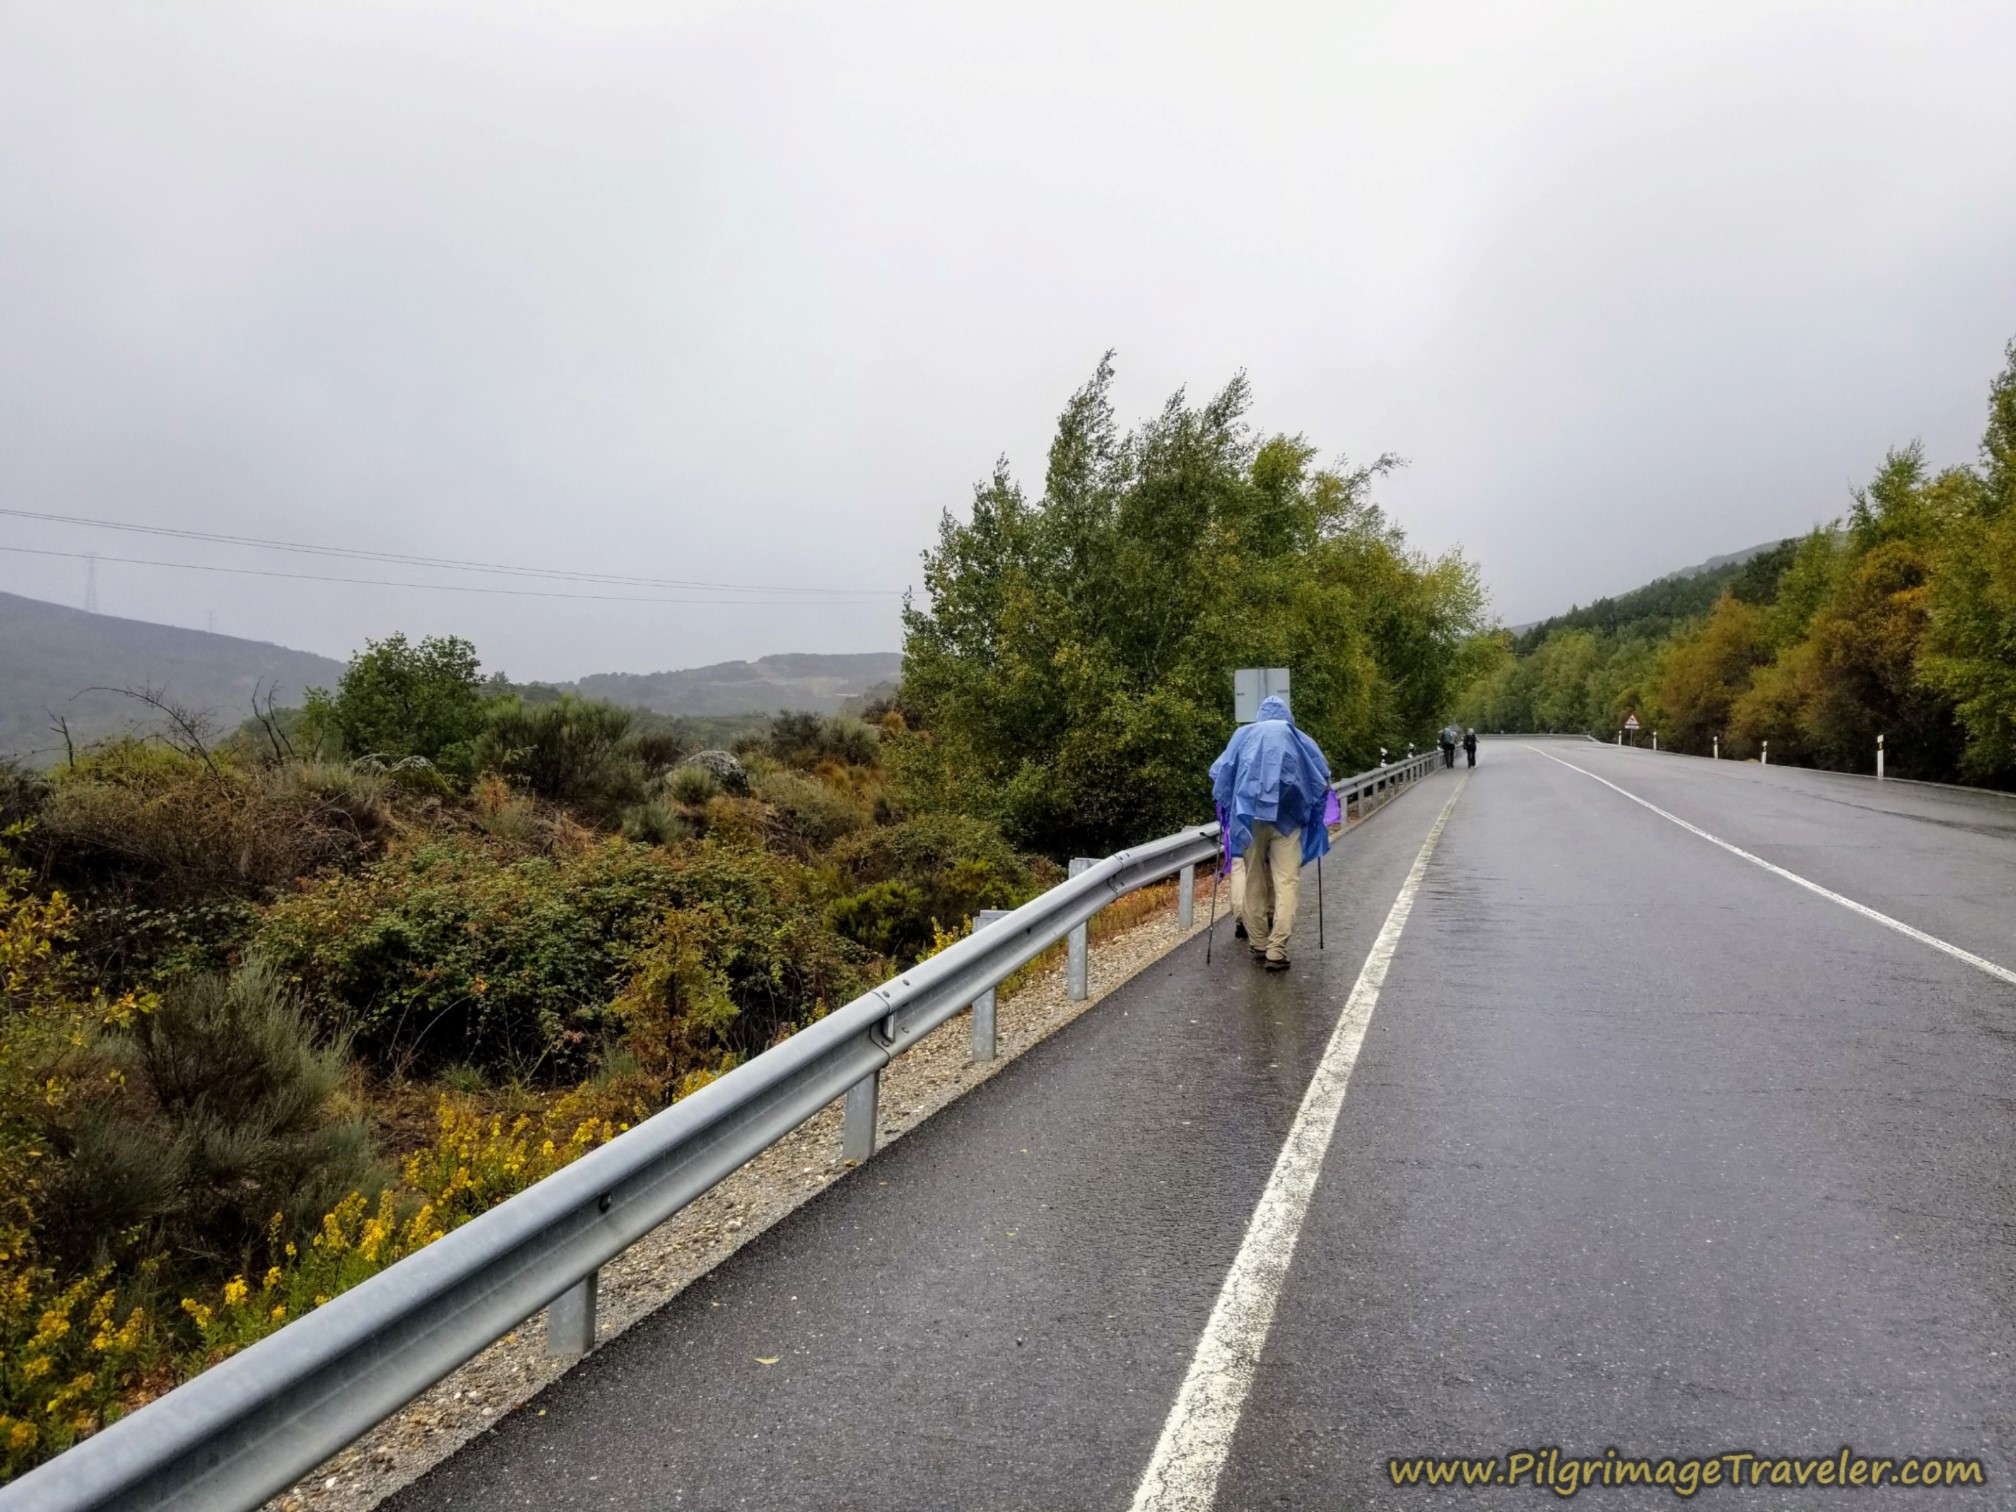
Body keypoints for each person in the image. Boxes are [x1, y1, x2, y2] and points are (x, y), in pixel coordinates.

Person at [1209, 694, 1333, 972]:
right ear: (1286, 715)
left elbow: (1220, 773)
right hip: (1287, 823)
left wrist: (1231, 806)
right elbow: (1323, 776)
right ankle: (1277, 949)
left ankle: (1259, 942)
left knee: (1253, 878)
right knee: (1286, 882)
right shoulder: (1297, 736)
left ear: (1261, 714)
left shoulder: (1243, 734)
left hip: (1250, 819)